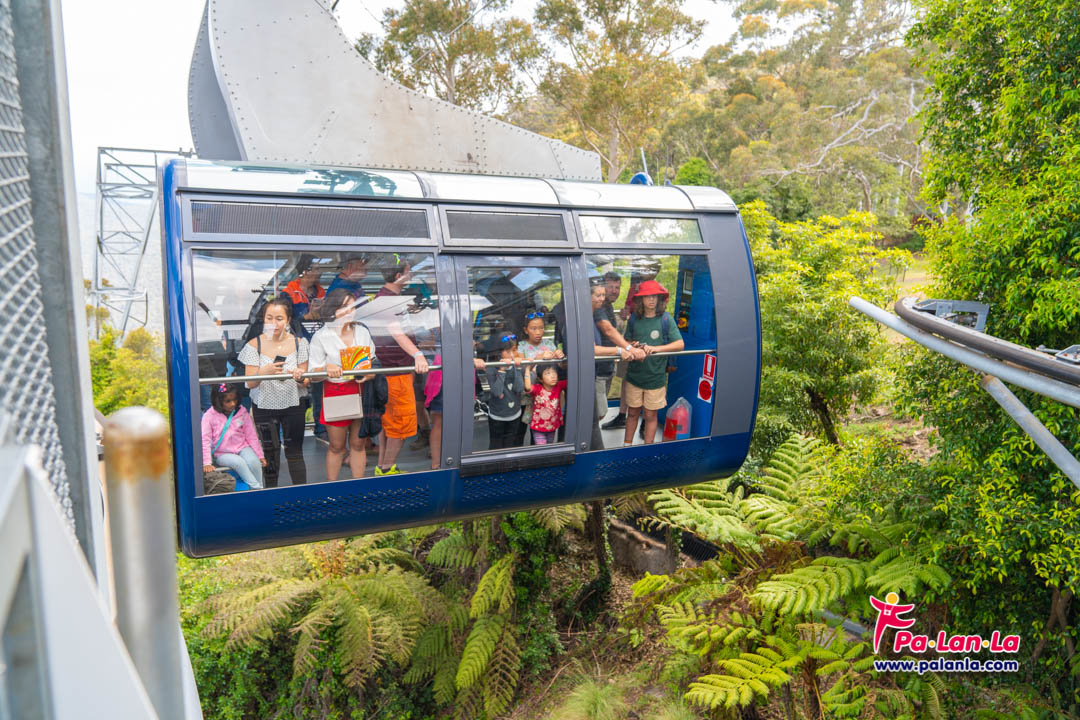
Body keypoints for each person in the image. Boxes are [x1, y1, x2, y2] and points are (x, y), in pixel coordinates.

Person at [309, 288, 383, 482]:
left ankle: (358, 487)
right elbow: (312, 374)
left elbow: (373, 362)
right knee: (337, 446)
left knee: (358, 445)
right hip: (336, 392)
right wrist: (326, 368)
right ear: (333, 309)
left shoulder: (362, 331)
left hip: (362, 391)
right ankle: (332, 489)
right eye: (344, 307)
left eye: (352, 306)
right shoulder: (321, 336)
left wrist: (368, 374)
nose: (349, 311)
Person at [238, 298, 309, 486]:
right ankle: (271, 494)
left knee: (295, 452)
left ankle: (301, 496)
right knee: (270, 453)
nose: (274, 323)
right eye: (269, 318)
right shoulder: (254, 345)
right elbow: (250, 383)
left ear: (288, 320)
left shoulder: (300, 343)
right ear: (263, 319)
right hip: (264, 407)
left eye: (279, 318)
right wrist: (264, 372)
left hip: (294, 405)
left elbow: (306, 381)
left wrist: (299, 376)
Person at [371, 261, 428, 475]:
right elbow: (396, 331)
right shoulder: (387, 300)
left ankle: (383, 467)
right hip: (396, 371)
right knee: (401, 423)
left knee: (390, 422)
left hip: (393, 370)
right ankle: (387, 469)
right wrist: (417, 354)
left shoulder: (388, 298)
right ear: (398, 276)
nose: (410, 275)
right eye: (407, 272)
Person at [622, 280, 684, 445]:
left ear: (659, 299)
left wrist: (656, 349)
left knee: (650, 415)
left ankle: (647, 449)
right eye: (647, 296)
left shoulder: (666, 319)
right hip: (634, 376)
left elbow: (680, 344)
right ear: (640, 300)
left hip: (656, 378)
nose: (651, 300)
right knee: (632, 413)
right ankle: (626, 446)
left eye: (654, 296)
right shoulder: (634, 319)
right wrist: (633, 346)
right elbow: (625, 341)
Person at [589, 280, 644, 449]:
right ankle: (591, 446)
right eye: (599, 294)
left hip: (607, 367)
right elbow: (607, 332)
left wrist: (627, 345)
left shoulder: (607, 308)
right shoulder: (594, 313)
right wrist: (624, 349)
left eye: (617, 288)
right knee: (598, 412)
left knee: (598, 410)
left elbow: (611, 334)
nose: (612, 292)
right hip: (597, 369)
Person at [285, 257, 328, 441]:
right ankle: (291, 435)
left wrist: (322, 313)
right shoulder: (288, 293)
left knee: (320, 388)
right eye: (316, 268)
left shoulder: (322, 292)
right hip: (298, 347)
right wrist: (307, 317)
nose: (320, 272)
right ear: (305, 271)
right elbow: (287, 321)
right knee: (298, 390)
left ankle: (321, 428)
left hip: (320, 345)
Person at [201, 383, 265, 490]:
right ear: (218, 401)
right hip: (222, 453)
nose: (233, 404)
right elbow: (205, 440)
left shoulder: (241, 411)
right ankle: (257, 489)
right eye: (228, 401)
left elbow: (251, 435)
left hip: (242, 447)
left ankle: (258, 488)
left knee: (254, 462)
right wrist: (207, 463)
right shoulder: (209, 416)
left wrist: (259, 455)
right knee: (239, 462)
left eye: (235, 400)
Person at [484, 334, 525, 450]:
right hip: (497, 416)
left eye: (514, 350)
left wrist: (518, 369)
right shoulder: (491, 368)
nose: (512, 355)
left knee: (510, 445)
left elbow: (519, 389)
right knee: (495, 446)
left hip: (515, 414)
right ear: (499, 352)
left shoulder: (517, 366)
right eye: (508, 351)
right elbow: (497, 392)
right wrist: (502, 370)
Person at [524, 363, 567, 445]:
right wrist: (527, 369)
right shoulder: (538, 388)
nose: (553, 376)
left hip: (552, 426)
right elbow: (528, 387)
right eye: (548, 373)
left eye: (554, 372)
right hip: (538, 427)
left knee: (549, 446)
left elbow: (571, 380)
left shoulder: (559, 386)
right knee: (542, 447)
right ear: (540, 379)